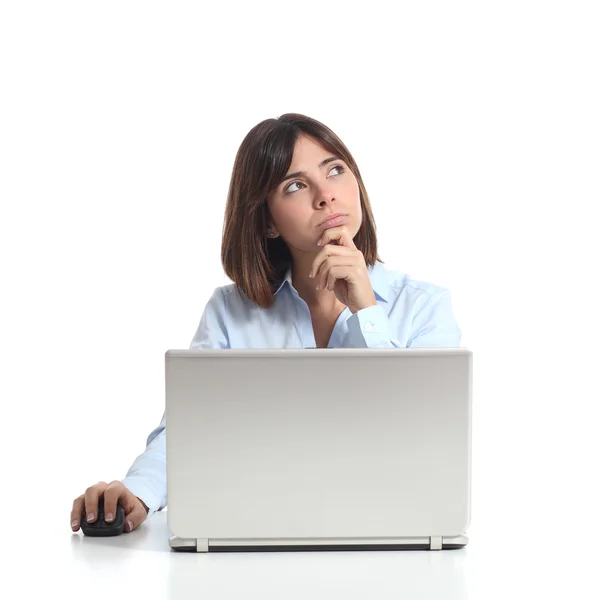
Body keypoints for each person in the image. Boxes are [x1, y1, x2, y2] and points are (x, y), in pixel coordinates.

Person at [70, 113, 462, 534]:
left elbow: (422, 444)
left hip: (395, 539)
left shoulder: (425, 307)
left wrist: (366, 308)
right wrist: (138, 493)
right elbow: (188, 430)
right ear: (269, 221)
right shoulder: (230, 312)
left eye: (335, 170)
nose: (326, 195)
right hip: (256, 538)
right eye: (295, 185)